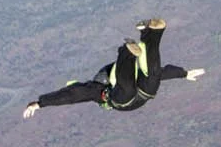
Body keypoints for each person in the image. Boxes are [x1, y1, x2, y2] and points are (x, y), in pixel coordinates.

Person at [24, 19, 204, 116]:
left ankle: (147, 36)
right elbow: (70, 95)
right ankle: (149, 36)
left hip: (137, 96)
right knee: (150, 75)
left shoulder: (96, 90)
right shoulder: (98, 90)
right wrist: (183, 73)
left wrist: (41, 103)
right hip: (130, 96)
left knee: (148, 77)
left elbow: (70, 96)